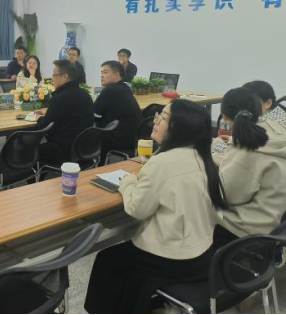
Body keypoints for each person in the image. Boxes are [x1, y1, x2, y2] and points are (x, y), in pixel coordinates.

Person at [85, 100, 228, 314]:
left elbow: (136, 208)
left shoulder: (163, 162)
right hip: (202, 256)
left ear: (179, 127)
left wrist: (127, 182)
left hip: (174, 260)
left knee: (107, 259)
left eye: (163, 117)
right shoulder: (204, 157)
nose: (156, 121)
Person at [213, 87, 286, 251]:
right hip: (275, 223)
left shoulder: (246, 147)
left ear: (225, 116)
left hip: (246, 230)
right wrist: (222, 156)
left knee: (196, 203)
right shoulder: (278, 130)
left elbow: (226, 195)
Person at [34, 60, 94, 166]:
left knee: (26, 149)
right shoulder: (86, 95)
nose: (53, 79)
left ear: (65, 76)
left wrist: (39, 118)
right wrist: (46, 115)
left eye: (54, 75)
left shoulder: (59, 98)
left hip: (63, 151)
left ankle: (33, 176)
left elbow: (44, 126)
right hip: (84, 148)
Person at [95, 60, 143, 161]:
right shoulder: (125, 88)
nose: (101, 75)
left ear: (117, 75)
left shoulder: (110, 90)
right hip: (131, 140)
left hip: (115, 140)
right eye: (101, 72)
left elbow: (94, 114)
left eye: (105, 72)